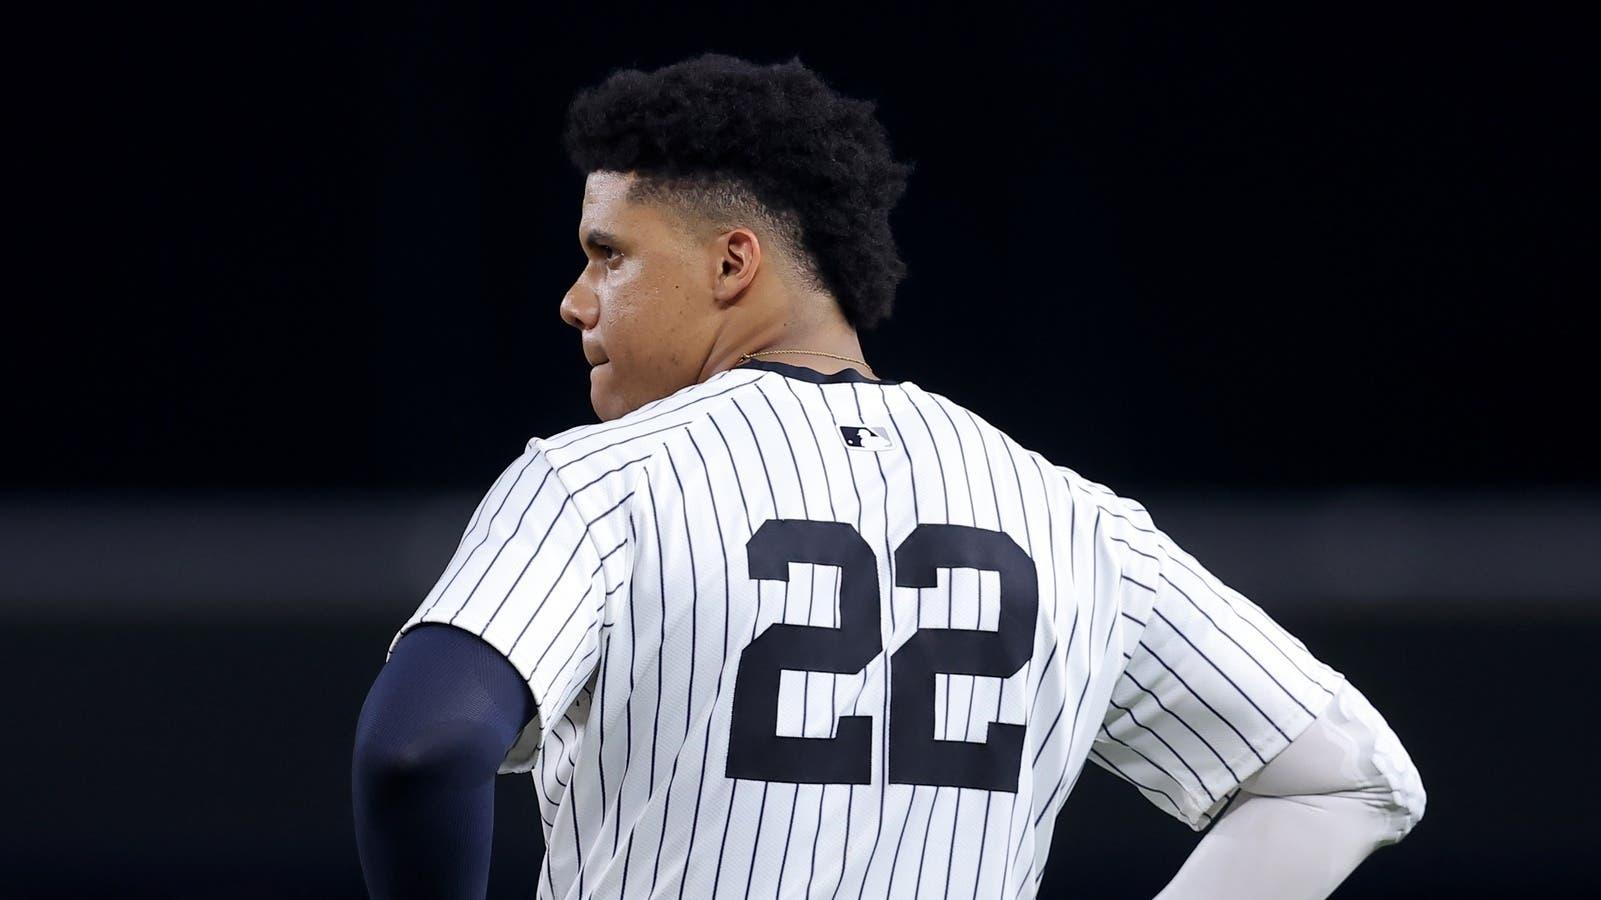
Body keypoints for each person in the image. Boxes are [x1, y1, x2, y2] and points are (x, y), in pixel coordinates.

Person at [351, 52, 1424, 899]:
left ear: (733, 263)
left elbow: (419, 745)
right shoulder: (1071, 520)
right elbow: (1347, 776)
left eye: (608, 254)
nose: (575, 302)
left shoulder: (599, 485)